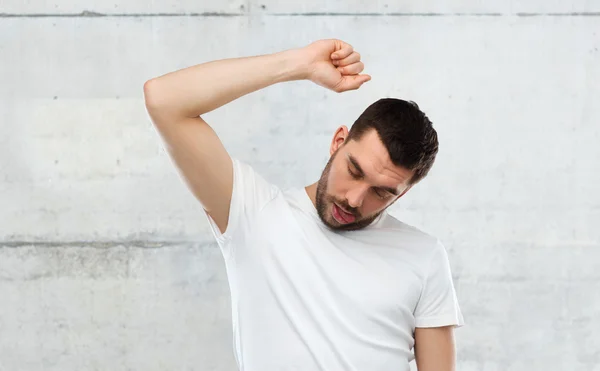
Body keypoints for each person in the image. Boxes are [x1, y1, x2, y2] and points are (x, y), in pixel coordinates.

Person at [144, 39, 464, 371]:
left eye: (381, 193)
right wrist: (300, 65)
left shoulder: (424, 256)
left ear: (401, 194)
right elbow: (164, 100)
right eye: (354, 171)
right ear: (338, 141)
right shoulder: (255, 215)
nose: (354, 199)